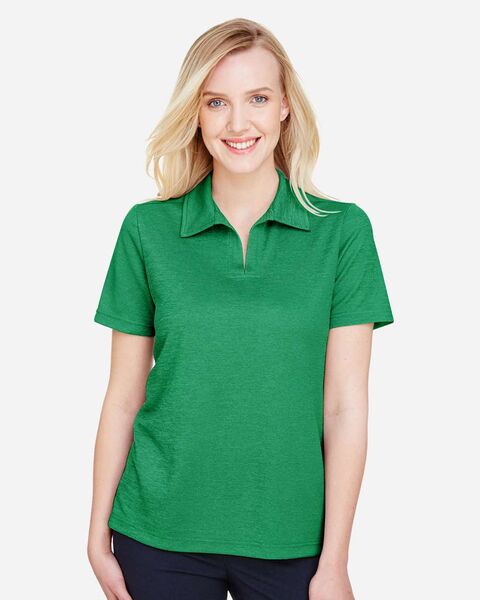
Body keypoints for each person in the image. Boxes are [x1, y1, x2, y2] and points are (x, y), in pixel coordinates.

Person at [87, 17, 394, 600]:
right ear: (196, 113)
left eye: (257, 98)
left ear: (285, 107)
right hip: (158, 533)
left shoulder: (343, 232)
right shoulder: (148, 229)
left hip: (293, 539)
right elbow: (123, 395)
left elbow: (345, 407)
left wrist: (335, 561)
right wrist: (96, 535)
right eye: (216, 102)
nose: (237, 123)